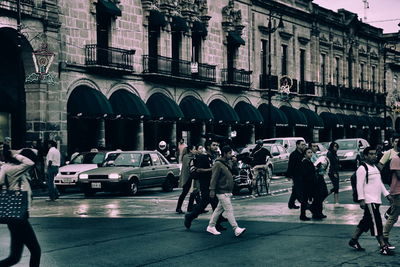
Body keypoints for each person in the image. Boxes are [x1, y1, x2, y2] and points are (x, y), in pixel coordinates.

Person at [348, 147, 393, 256]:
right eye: (371, 154)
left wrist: (387, 195)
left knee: (366, 221)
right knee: (376, 222)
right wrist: (362, 200)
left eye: (375, 154)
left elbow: (380, 183)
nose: (374, 156)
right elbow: (359, 185)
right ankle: (383, 245)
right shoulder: (362, 168)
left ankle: (353, 240)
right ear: (365, 156)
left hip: (376, 200)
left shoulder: (375, 168)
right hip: (369, 200)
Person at [0, 148, 41, 266]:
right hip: (18, 217)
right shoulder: (13, 169)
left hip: (15, 216)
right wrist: (16, 154)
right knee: (35, 251)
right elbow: (29, 163)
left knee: (14, 258)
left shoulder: (12, 169)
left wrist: (17, 152)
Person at [206, 146, 246, 236]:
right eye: (229, 153)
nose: (231, 155)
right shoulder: (218, 164)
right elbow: (214, 178)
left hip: (226, 190)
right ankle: (236, 228)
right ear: (224, 153)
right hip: (221, 190)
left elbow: (235, 171)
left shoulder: (227, 163)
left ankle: (211, 226)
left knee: (218, 210)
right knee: (229, 209)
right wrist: (212, 190)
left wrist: (234, 163)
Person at [184, 140, 224, 230]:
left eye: (217, 145)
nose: (216, 147)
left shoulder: (213, 157)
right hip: (205, 184)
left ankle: (217, 223)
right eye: (214, 145)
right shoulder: (203, 157)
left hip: (212, 183)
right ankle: (190, 216)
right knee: (205, 204)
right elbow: (199, 170)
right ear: (208, 146)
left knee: (214, 203)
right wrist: (211, 169)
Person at [382, 138, 400, 250]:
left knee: (394, 215)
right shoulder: (396, 159)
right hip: (397, 191)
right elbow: (399, 175)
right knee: (393, 216)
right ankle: (384, 238)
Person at [176, 145, 197, 214]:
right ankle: (178, 208)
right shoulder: (186, 157)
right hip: (187, 178)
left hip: (191, 177)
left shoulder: (192, 157)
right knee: (184, 193)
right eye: (194, 149)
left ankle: (200, 207)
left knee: (195, 192)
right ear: (190, 150)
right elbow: (188, 168)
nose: (195, 150)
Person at [310, 143, 329, 219]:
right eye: (313, 146)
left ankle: (314, 208)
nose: (316, 148)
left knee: (324, 193)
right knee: (319, 194)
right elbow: (313, 166)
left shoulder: (316, 155)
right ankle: (317, 212)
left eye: (316, 146)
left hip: (320, 175)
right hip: (316, 177)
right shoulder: (311, 155)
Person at [297, 147, 316, 221]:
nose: (310, 154)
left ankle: (309, 212)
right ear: (305, 154)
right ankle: (303, 215)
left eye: (311, 152)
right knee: (304, 200)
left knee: (306, 200)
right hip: (306, 184)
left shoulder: (309, 161)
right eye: (308, 152)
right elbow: (305, 174)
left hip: (308, 183)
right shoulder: (305, 162)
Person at [286, 140, 307, 209]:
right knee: (299, 190)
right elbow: (290, 165)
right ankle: (304, 204)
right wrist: (289, 175)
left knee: (295, 190)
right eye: (302, 145)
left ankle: (291, 204)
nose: (304, 146)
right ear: (297, 145)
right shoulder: (293, 154)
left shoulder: (304, 153)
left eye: (304, 144)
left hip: (303, 174)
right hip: (296, 175)